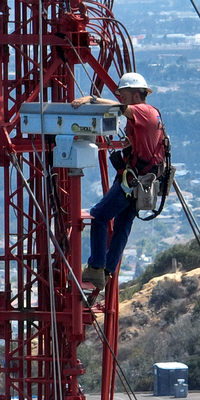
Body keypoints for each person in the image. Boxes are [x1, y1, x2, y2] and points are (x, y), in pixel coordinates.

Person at [70, 71, 165, 303]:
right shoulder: (153, 115)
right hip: (144, 181)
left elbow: (119, 109)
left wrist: (92, 99)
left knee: (99, 216)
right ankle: (106, 270)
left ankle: (96, 267)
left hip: (134, 180)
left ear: (134, 94)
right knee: (123, 225)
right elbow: (142, 142)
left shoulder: (143, 110)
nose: (120, 99)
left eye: (122, 94)